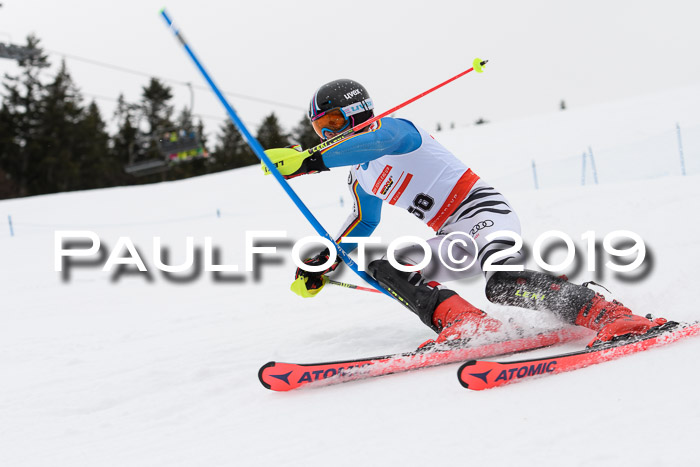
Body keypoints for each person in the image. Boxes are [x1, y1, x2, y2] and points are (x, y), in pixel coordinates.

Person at [262, 78, 666, 348]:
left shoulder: (396, 130)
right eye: (321, 129)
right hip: (451, 235)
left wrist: (309, 162)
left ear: (358, 111)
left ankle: (611, 315)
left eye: (334, 122)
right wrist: (322, 262)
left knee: (504, 283)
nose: (329, 133)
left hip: (482, 211)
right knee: (384, 267)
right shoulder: (358, 176)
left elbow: (378, 141)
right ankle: (466, 324)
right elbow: (363, 223)